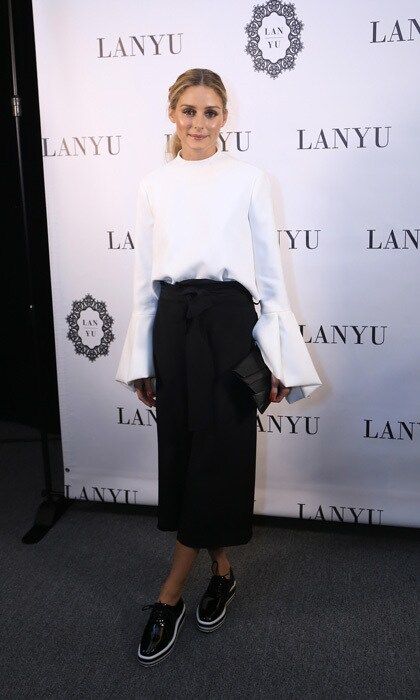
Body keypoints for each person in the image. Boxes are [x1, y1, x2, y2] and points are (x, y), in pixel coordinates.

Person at [115, 68, 322, 666]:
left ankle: (168, 595)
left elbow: (271, 274)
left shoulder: (251, 179)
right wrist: (141, 358)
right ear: (172, 115)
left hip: (230, 325)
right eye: (188, 111)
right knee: (183, 451)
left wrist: (279, 354)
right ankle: (224, 570)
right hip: (174, 325)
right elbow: (142, 281)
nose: (199, 124)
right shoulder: (153, 183)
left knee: (218, 454)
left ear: (225, 117)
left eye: (210, 112)